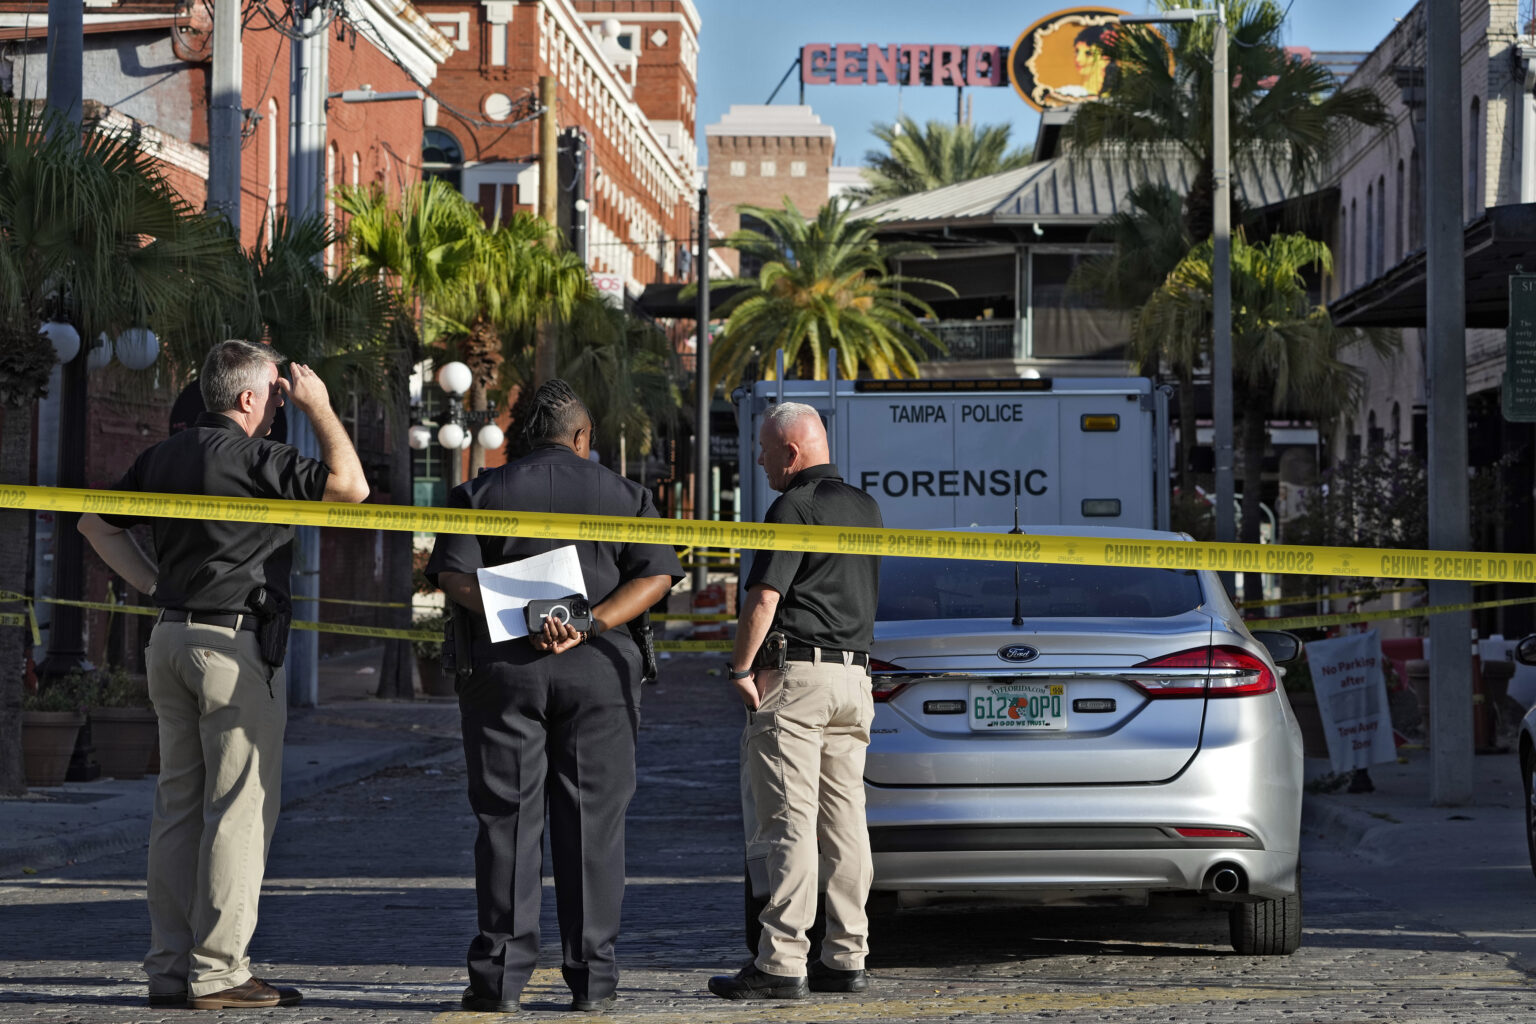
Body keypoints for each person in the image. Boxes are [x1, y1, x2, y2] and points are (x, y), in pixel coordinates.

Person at [77, 339, 369, 1009]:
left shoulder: (164, 454)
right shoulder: (258, 459)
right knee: (238, 810)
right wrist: (321, 407)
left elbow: (95, 522)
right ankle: (219, 971)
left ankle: (169, 968)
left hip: (172, 638)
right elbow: (351, 486)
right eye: (274, 395)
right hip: (232, 649)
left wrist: (156, 586)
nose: (278, 409)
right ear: (247, 398)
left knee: (177, 809)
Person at [425, 379, 680, 1014]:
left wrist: (518, 612)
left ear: (525, 437)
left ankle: (500, 981)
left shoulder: (479, 492)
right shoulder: (625, 494)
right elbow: (657, 575)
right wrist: (589, 621)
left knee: (507, 822)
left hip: (505, 668)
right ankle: (593, 982)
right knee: (594, 824)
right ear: (582, 438)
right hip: (598, 671)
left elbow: (451, 575)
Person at [709, 402, 883, 1001]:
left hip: (798, 681)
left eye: (764, 450)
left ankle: (782, 962)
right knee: (846, 825)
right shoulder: (867, 507)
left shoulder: (793, 506)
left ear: (792, 451)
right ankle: (847, 955)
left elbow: (764, 599)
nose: (757, 460)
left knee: (788, 822)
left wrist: (739, 668)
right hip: (854, 682)